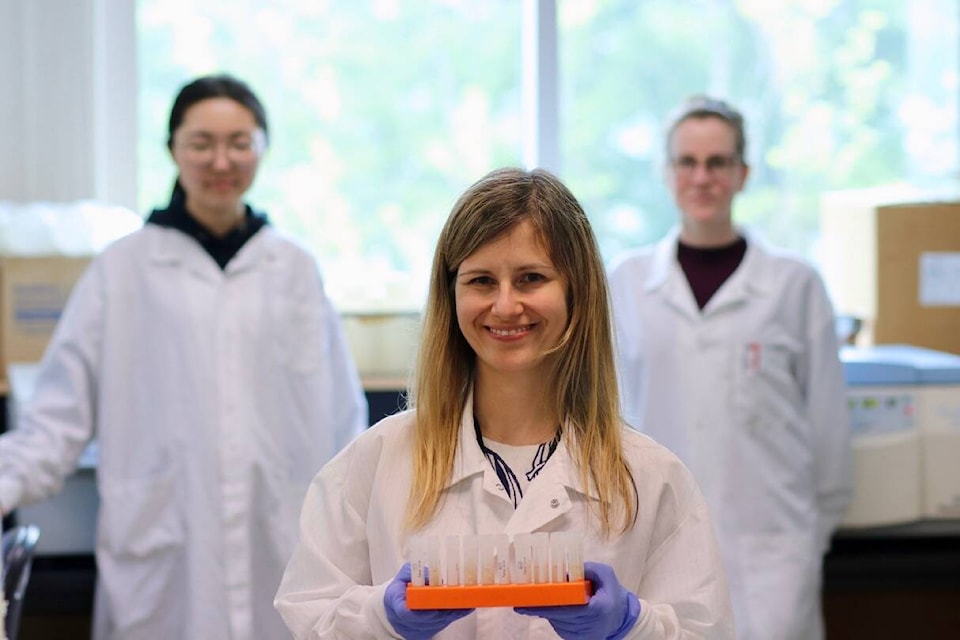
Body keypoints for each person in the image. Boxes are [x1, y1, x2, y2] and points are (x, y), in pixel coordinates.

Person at [274, 167, 735, 639]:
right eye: (481, 281)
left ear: (576, 291)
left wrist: (631, 626)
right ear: (451, 295)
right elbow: (309, 614)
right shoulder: (376, 463)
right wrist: (380, 617)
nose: (506, 306)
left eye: (531, 278)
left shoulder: (651, 478)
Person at [0, 74, 368, 640]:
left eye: (239, 143)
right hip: (164, 556)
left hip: (280, 551)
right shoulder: (121, 269)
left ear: (262, 148)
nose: (221, 161)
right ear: (173, 148)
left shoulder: (294, 268)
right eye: (202, 143)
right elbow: (55, 422)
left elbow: (344, 426)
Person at [607, 95, 852, 640]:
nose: (702, 178)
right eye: (687, 162)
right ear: (667, 173)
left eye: (717, 162)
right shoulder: (627, 281)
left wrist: (807, 538)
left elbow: (829, 430)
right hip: (655, 542)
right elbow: (608, 415)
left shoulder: (793, 284)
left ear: (743, 173)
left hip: (771, 549)